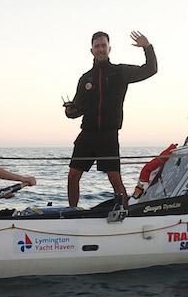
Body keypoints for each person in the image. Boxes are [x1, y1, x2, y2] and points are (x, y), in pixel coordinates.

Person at [63, 30, 158, 207]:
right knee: (72, 176)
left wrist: (147, 47)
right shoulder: (85, 79)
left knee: (115, 179)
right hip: (87, 134)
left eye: (103, 46)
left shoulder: (120, 72)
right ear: (91, 50)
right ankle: (72, 212)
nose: (100, 49)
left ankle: (126, 212)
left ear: (109, 48)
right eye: (97, 46)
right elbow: (77, 109)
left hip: (108, 135)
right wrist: (70, 112)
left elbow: (151, 69)